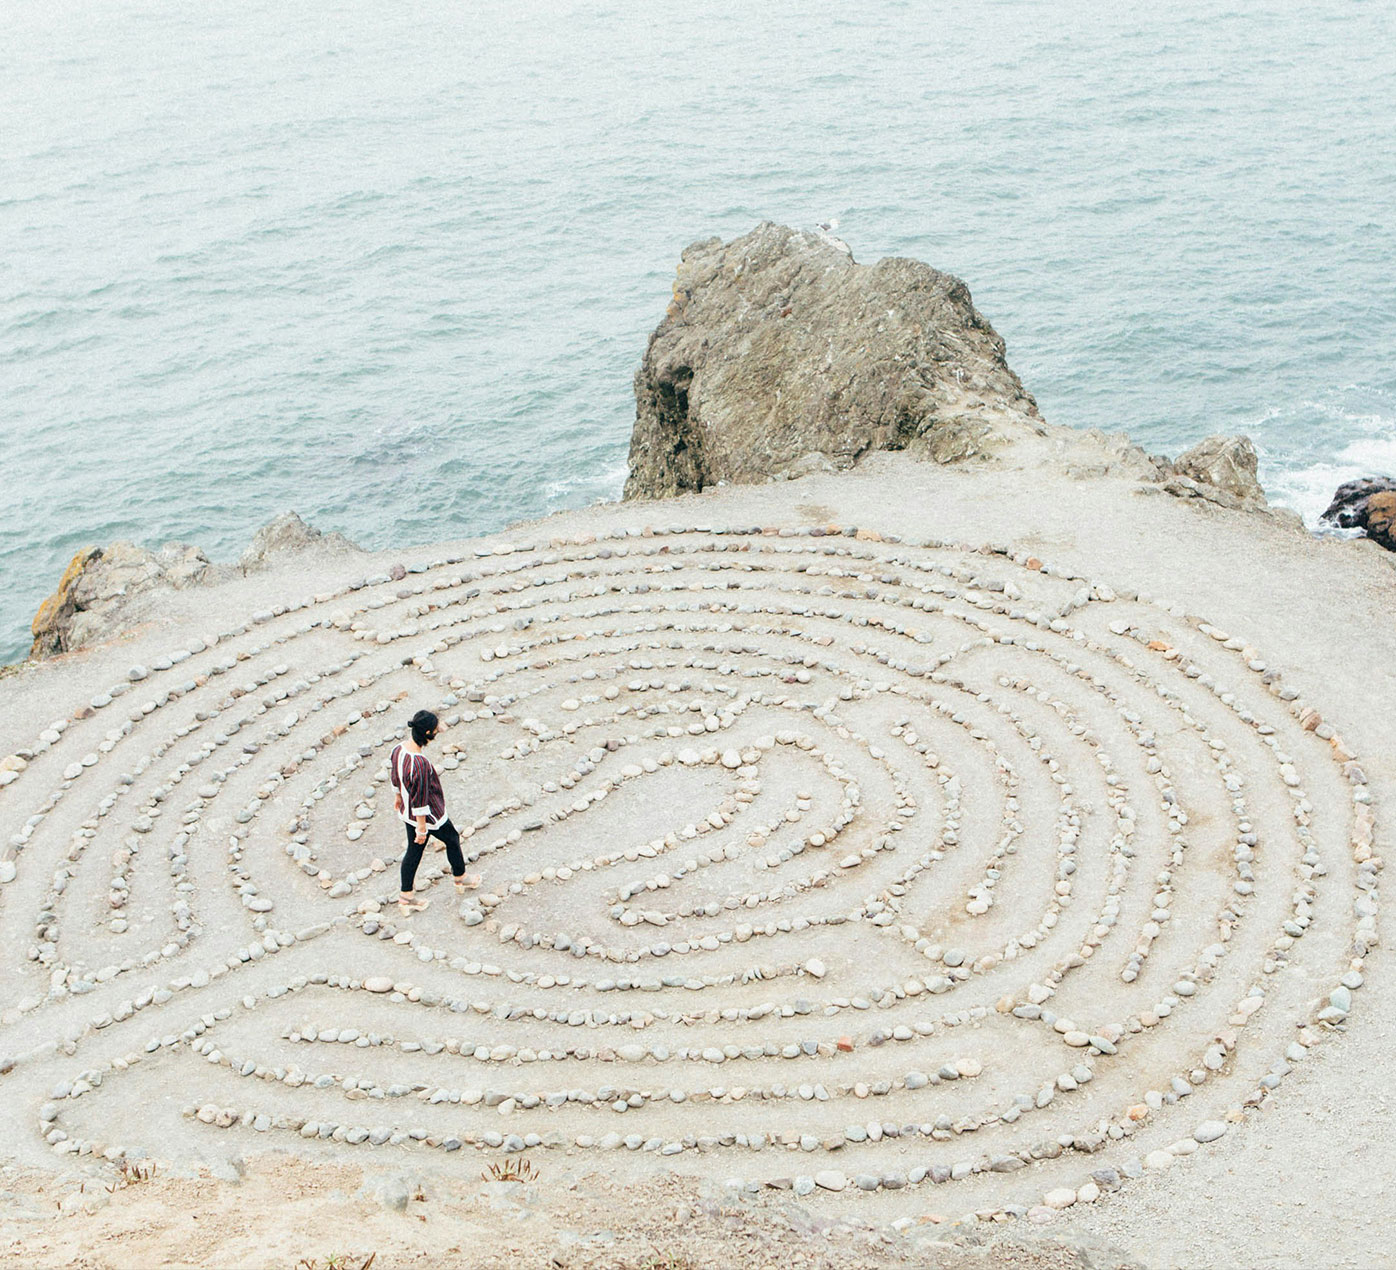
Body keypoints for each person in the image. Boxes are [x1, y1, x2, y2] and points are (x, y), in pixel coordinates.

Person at [389, 709, 479, 913]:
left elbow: (395, 775)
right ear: (428, 733)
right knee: (452, 839)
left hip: (407, 811)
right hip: (429, 816)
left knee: (414, 852)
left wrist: (397, 796)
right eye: (436, 729)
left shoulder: (398, 749)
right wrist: (422, 827)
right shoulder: (419, 764)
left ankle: (406, 896)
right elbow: (420, 796)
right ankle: (461, 877)